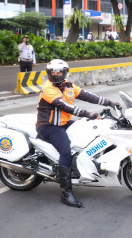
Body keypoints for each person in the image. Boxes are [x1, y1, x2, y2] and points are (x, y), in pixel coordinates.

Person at [36, 59, 121, 208]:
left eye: (59, 72)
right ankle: (66, 193)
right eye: (53, 72)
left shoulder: (69, 86)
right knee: (66, 152)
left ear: (64, 73)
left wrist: (110, 103)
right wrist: (88, 113)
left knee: (88, 135)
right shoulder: (48, 88)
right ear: (49, 73)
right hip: (49, 126)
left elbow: (89, 96)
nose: (55, 75)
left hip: (63, 123)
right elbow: (65, 106)